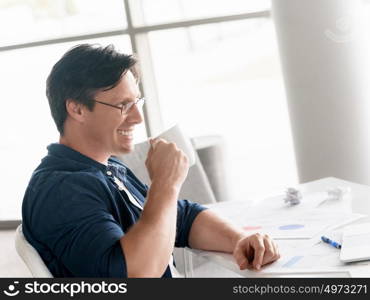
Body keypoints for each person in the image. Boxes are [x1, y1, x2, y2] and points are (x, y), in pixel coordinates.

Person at [22, 44, 280, 277]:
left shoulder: (106, 166)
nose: (137, 118)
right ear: (77, 109)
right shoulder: (62, 190)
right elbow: (135, 276)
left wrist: (239, 239)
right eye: (123, 105)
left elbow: (182, 219)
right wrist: (165, 183)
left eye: (137, 103)